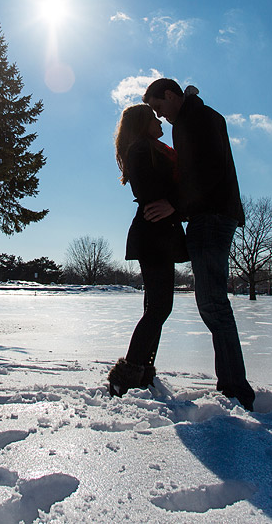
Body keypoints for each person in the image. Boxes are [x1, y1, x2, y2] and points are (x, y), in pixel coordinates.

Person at [142, 78, 255, 411]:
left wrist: (174, 204)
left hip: (211, 217)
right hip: (214, 215)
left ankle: (237, 389)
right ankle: (233, 385)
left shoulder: (196, 119)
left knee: (213, 303)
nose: (159, 117)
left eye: (159, 107)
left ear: (172, 96)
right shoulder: (199, 116)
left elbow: (206, 170)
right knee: (212, 302)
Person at [107, 103, 188, 397]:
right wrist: (179, 202)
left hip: (158, 233)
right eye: (155, 118)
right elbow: (152, 192)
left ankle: (142, 370)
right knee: (159, 307)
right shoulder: (142, 150)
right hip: (153, 233)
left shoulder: (152, 149)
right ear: (143, 124)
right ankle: (128, 373)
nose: (160, 122)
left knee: (156, 306)